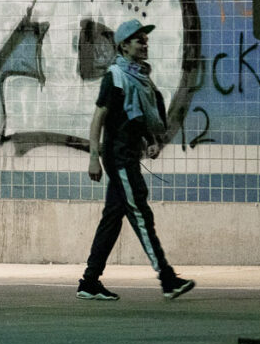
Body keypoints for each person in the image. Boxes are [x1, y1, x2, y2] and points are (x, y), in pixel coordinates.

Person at [77, 18, 195, 302]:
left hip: (129, 153)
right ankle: (167, 279)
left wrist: (151, 142)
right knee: (141, 213)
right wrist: (93, 158)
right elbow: (98, 119)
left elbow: (137, 118)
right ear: (124, 45)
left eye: (146, 39)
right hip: (119, 157)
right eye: (139, 40)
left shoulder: (140, 77)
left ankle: (89, 282)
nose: (145, 44)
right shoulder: (116, 77)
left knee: (112, 219)